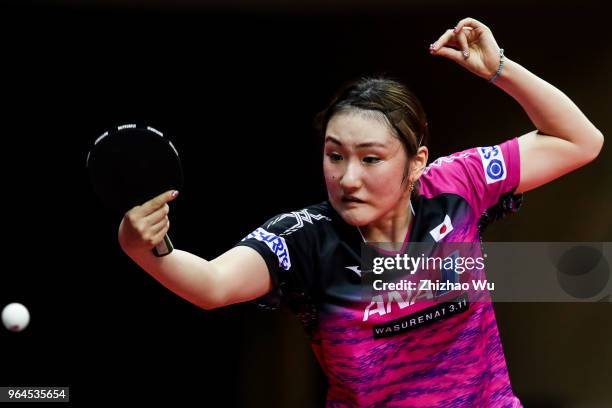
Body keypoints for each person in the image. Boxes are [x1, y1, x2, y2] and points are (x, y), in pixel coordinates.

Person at [117, 17, 603, 407]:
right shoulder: (304, 238)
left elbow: (579, 141)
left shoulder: (457, 184)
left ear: (416, 163)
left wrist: (500, 70)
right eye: (334, 156)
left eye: (371, 159)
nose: (348, 178)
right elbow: (211, 286)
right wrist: (142, 247)